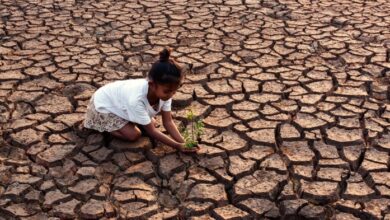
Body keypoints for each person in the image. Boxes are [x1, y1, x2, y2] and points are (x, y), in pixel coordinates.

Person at [83, 48, 197, 152]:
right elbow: (151, 131)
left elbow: (168, 122)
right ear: (152, 85)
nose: (171, 95)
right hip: (103, 105)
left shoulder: (165, 93)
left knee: (151, 123)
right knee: (134, 135)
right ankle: (105, 128)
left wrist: (185, 143)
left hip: (120, 101)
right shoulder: (137, 99)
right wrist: (177, 146)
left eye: (174, 91)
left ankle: (129, 120)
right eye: (168, 91)